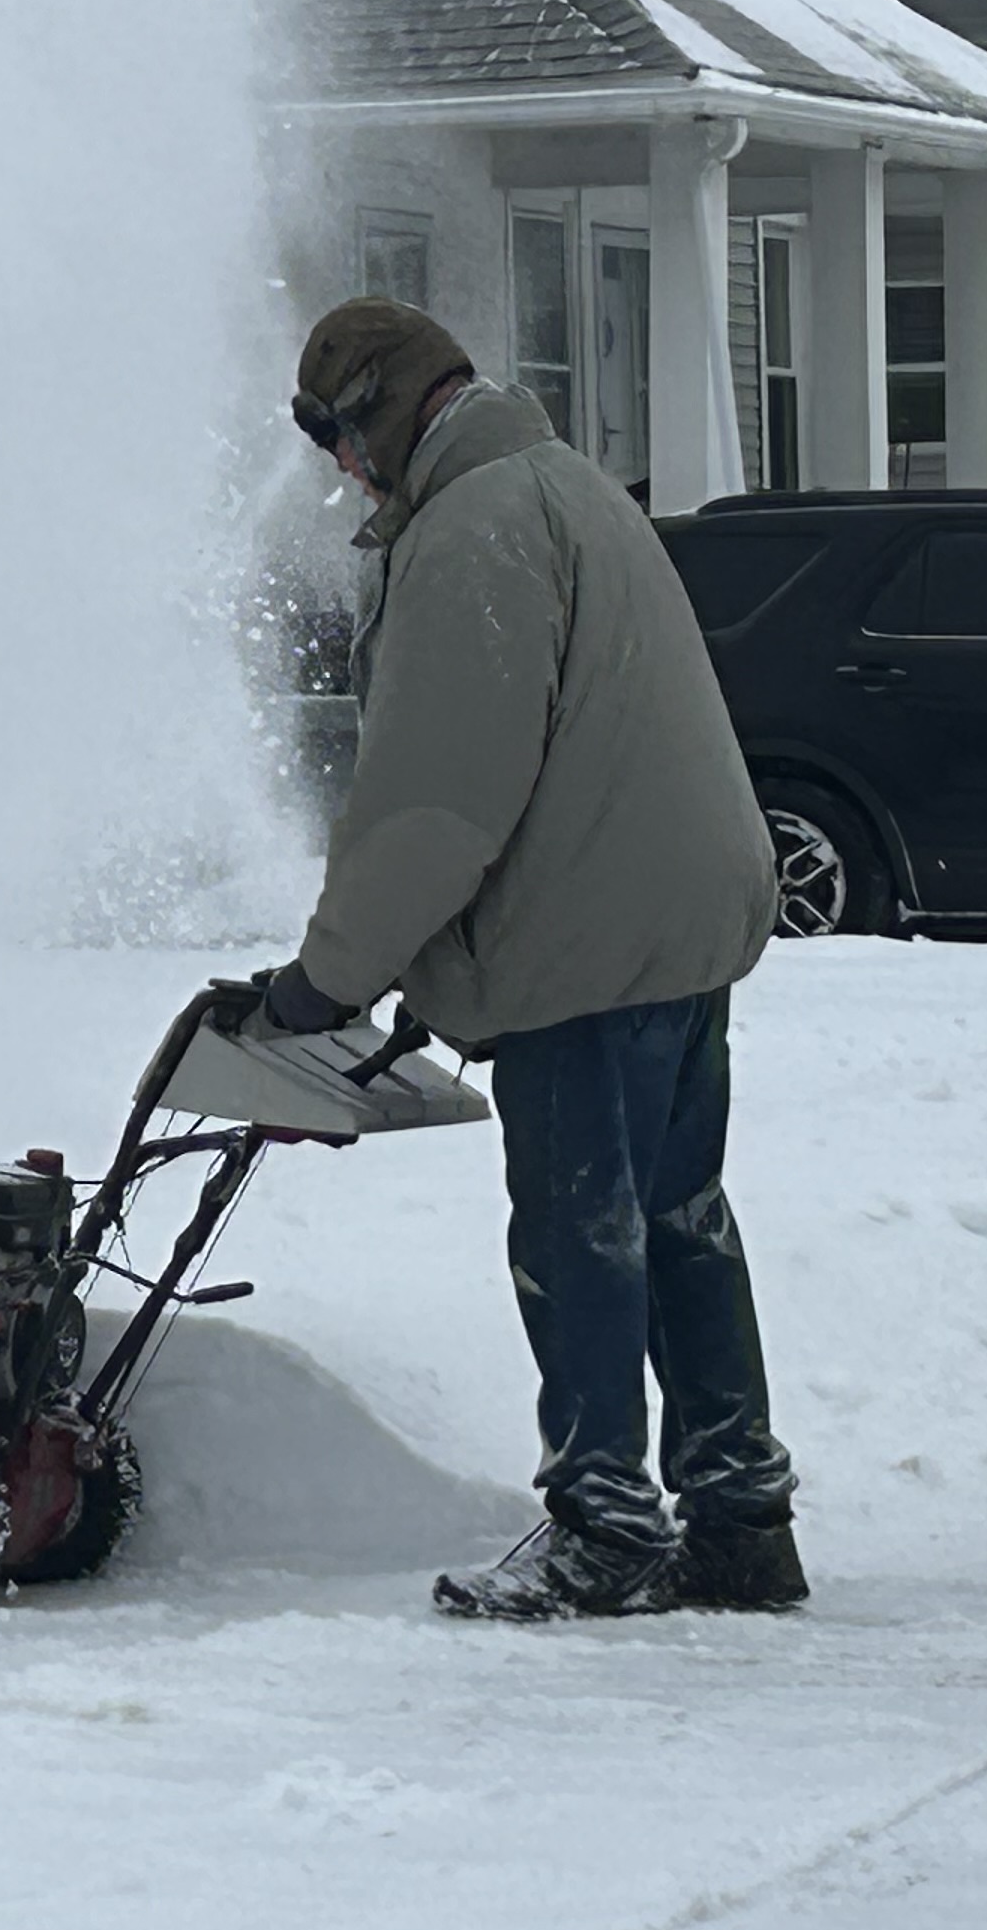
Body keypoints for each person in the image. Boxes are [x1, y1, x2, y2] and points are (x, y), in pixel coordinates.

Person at [254, 297, 805, 1619]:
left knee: (583, 1231)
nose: (337, 465)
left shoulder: (475, 532)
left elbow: (437, 803)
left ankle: (605, 1526)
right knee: (680, 1222)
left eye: (338, 432)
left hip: (588, 942)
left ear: (387, 408)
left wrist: (331, 975)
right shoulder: (564, 487)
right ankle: (737, 1516)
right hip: (681, 922)